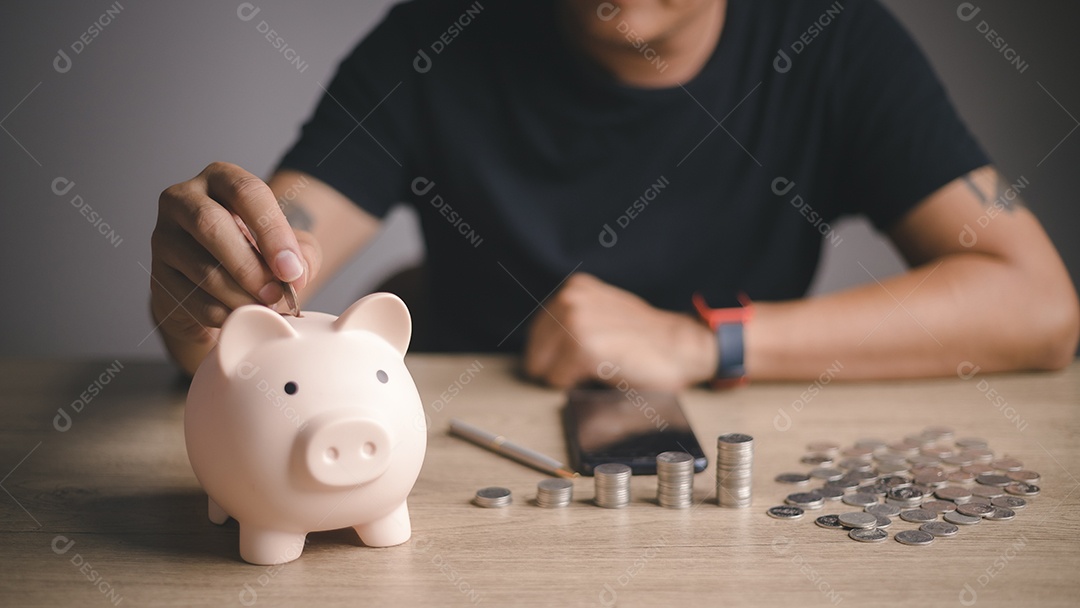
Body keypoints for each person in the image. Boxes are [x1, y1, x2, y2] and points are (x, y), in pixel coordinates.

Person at [151, 0, 1078, 388]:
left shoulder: (833, 39)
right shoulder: (436, 36)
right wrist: (212, 299)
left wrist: (698, 342)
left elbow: (1039, 305)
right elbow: (255, 289)